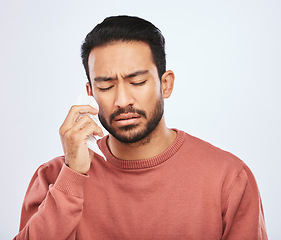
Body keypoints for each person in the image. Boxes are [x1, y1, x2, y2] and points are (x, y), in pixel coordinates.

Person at [14, 15, 268, 240]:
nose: (122, 100)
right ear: (90, 93)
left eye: (137, 81)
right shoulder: (54, 177)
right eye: (105, 86)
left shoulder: (229, 178)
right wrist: (72, 176)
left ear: (165, 84)